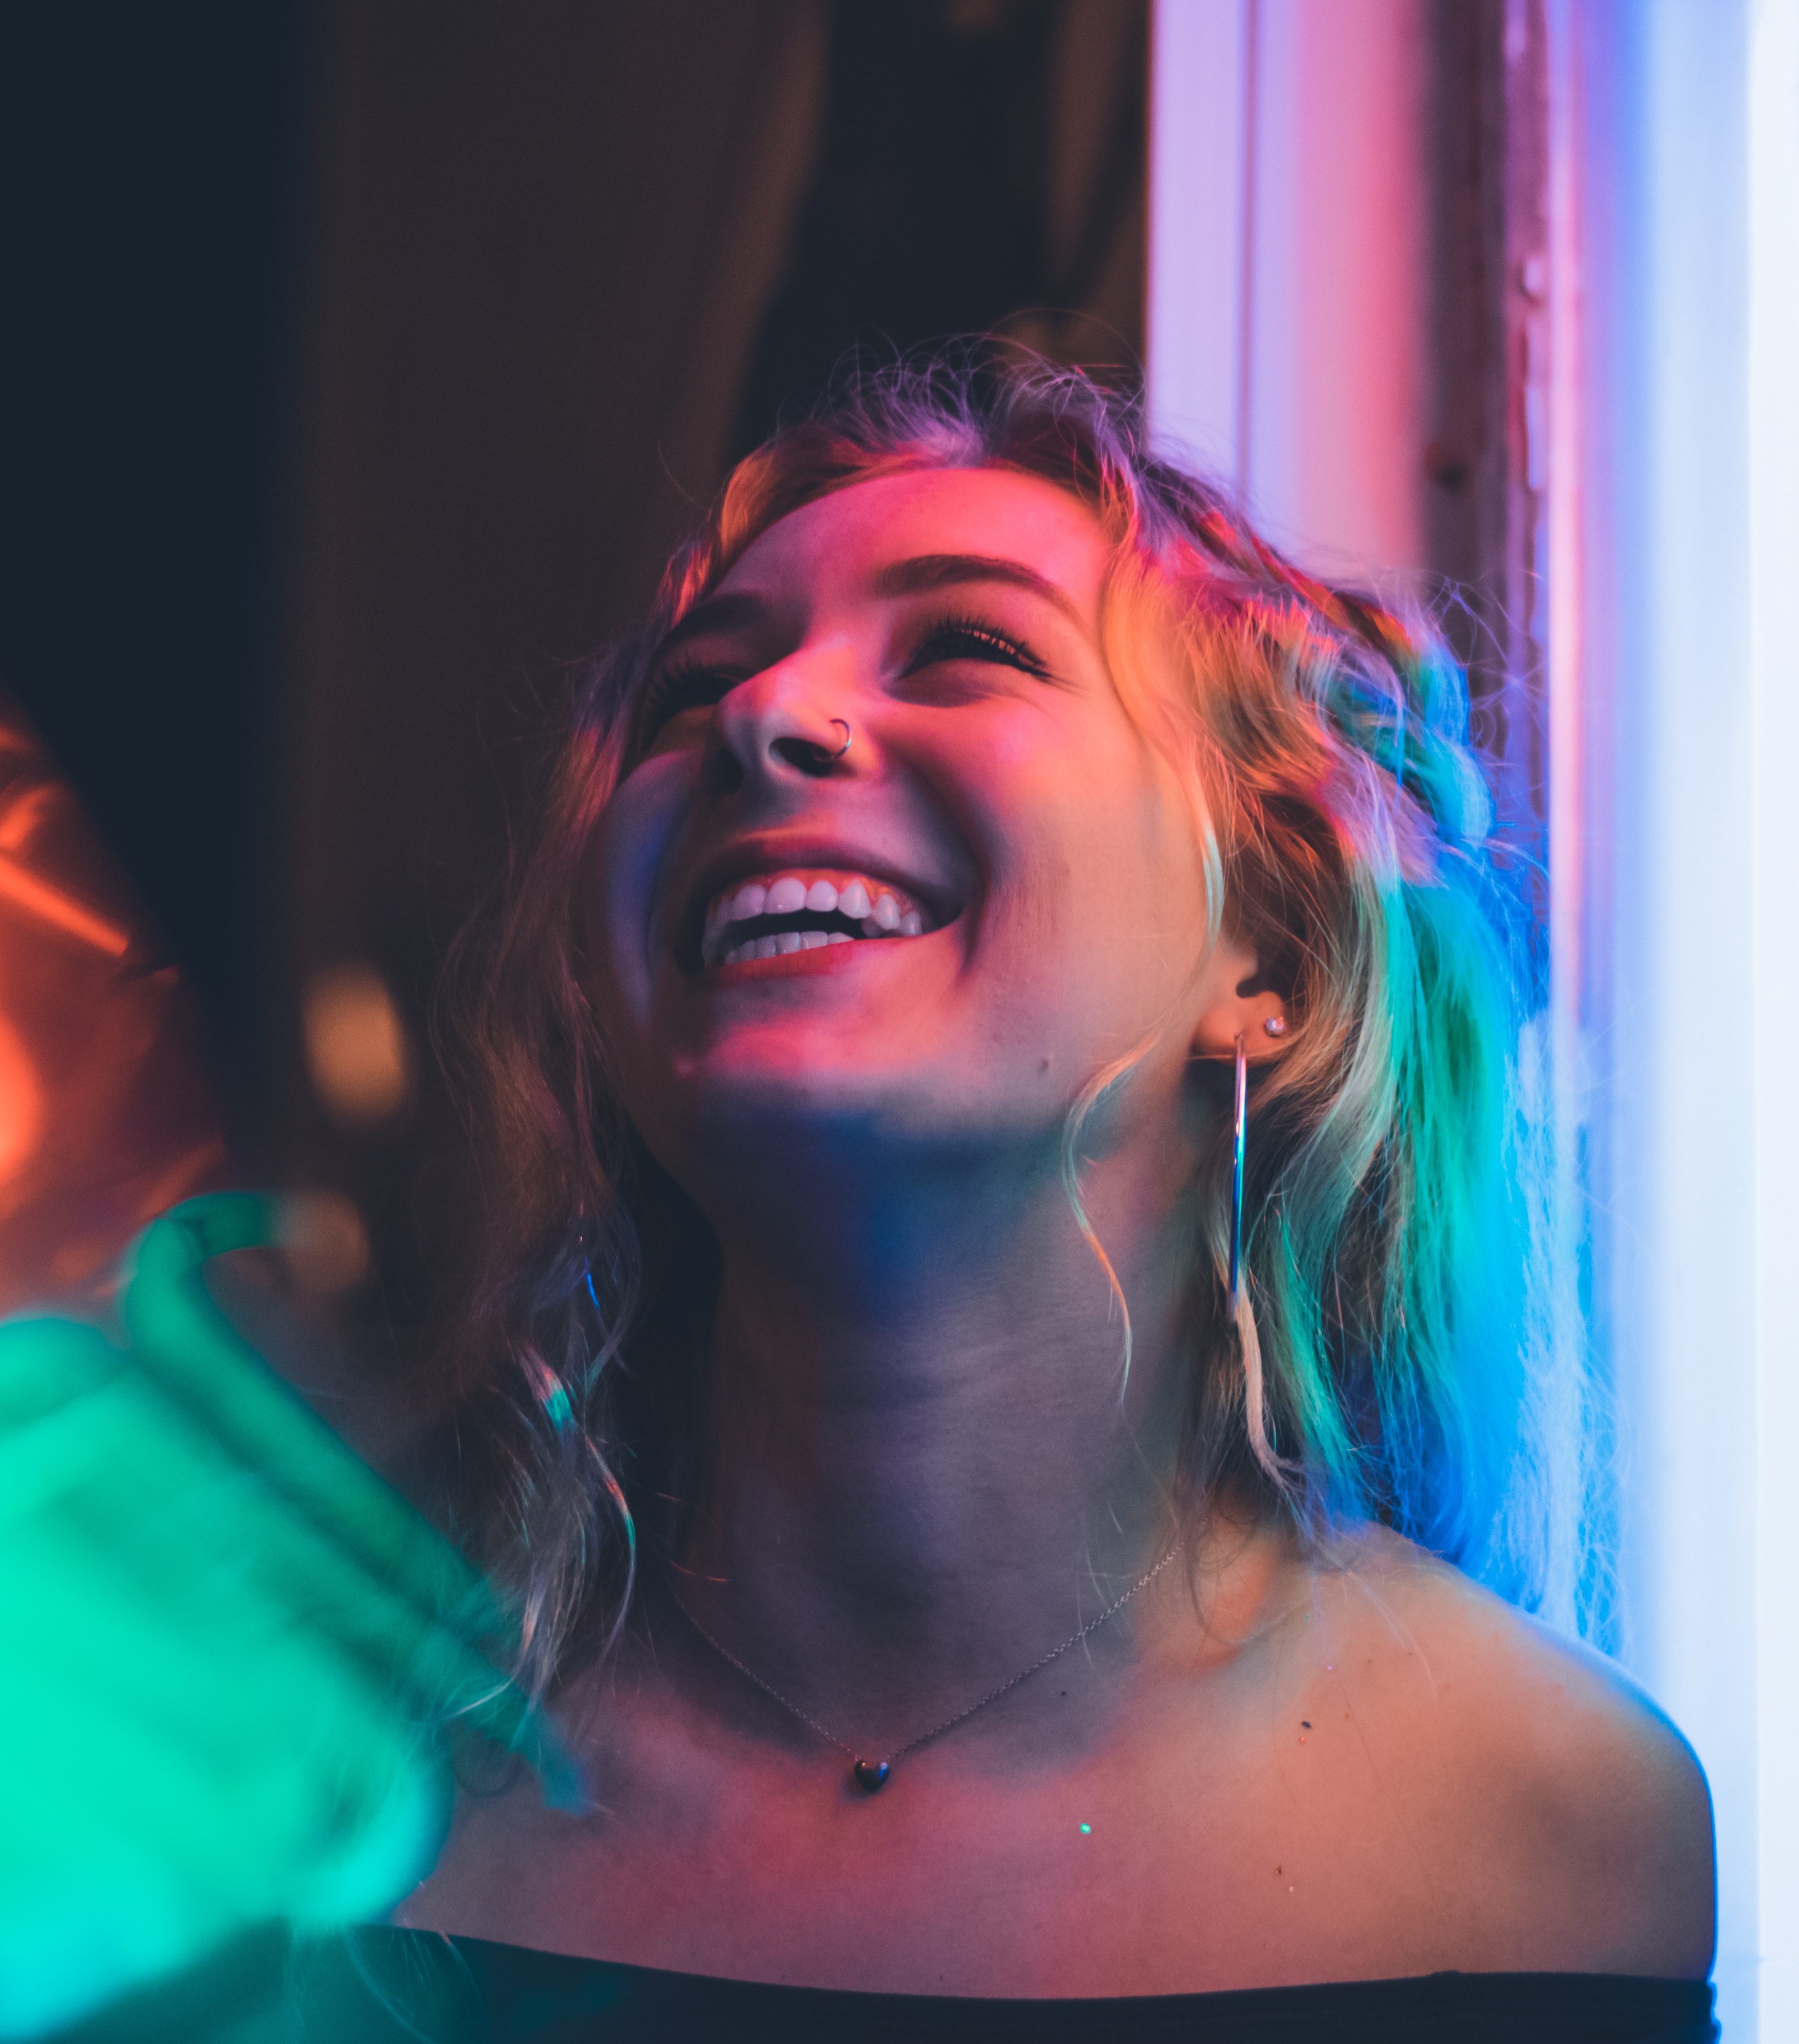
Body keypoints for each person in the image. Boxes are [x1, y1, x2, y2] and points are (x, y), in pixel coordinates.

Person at [313, 355, 1714, 2039]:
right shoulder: (330, 1767)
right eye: (699, 687)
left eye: (968, 646)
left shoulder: (1547, 1830)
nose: (763, 718)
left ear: (1271, 949)